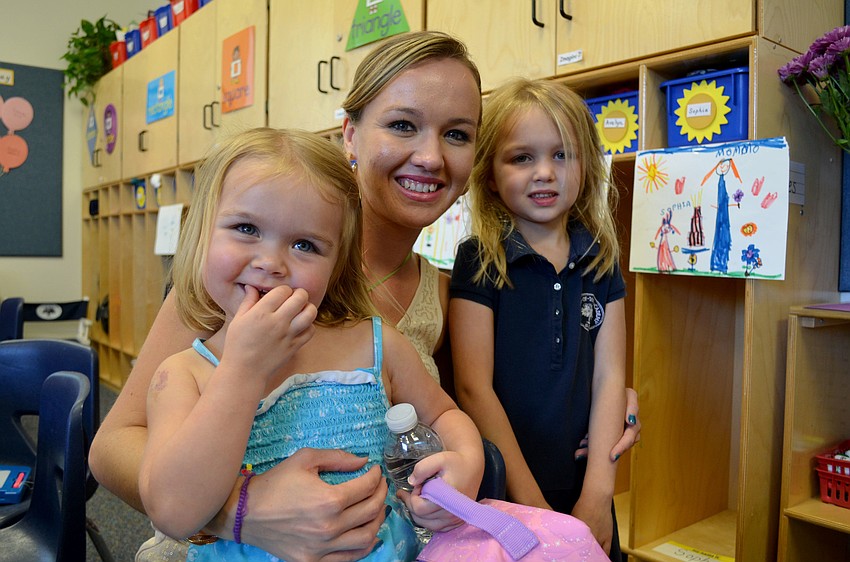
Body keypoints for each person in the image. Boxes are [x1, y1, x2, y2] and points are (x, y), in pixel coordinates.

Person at [89, 31, 639, 562]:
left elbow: (460, 403)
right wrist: (242, 511)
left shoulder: (442, 291)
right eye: (402, 125)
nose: (430, 156)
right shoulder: (251, 282)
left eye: (456, 134)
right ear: (350, 133)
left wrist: (603, 402)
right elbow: (113, 447)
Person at [138, 127, 484, 561]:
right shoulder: (182, 375)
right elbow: (173, 511)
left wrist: (467, 460)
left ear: (335, 265)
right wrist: (243, 367)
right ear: (202, 236)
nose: (271, 263)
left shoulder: (377, 345)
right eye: (245, 228)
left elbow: (444, 413)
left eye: (305, 245)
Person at [449, 78, 627, 559]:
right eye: (522, 157)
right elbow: (472, 388)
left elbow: (612, 377)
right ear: (489, 174)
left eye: (561, 155)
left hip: (584, 489)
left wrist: (598, 492)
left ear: (587, 167)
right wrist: (532, 505)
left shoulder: (601, 257)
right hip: (507, 493)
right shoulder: (479, 259)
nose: (544, 172)